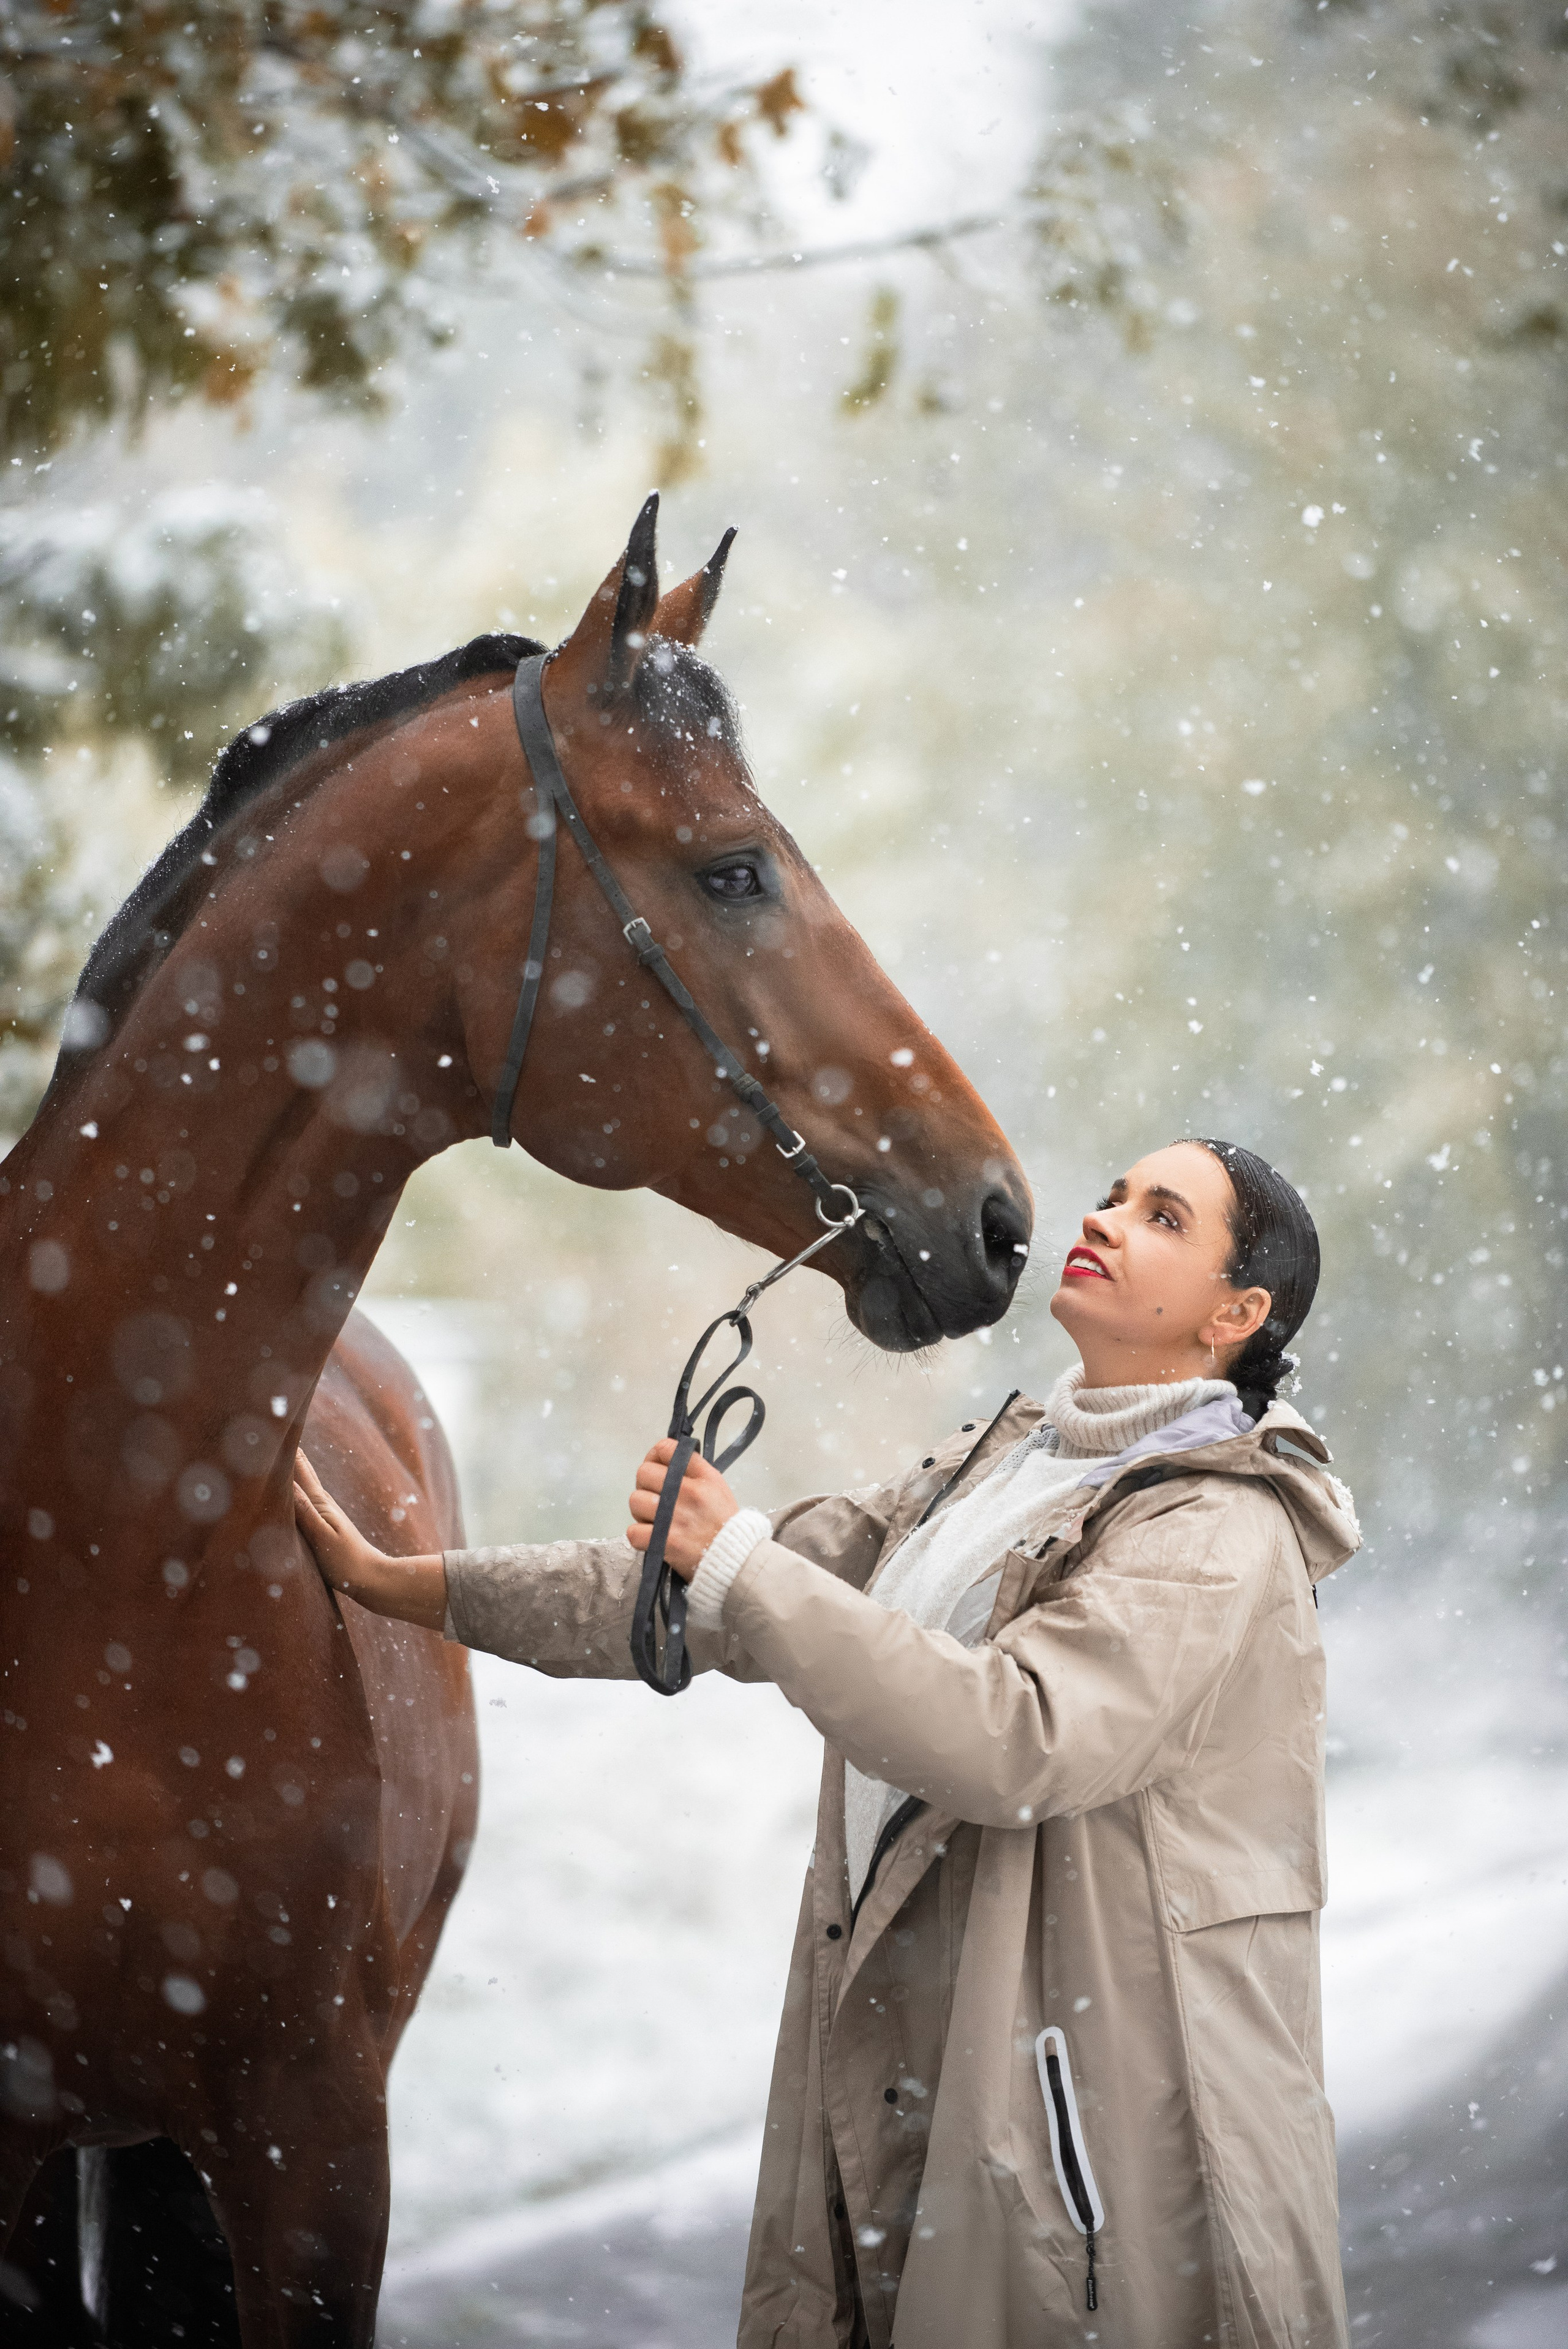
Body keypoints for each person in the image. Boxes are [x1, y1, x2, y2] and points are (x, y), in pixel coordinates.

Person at [296, 1137, 1359, 2349]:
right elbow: (699, 1598)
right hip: (939, 2069)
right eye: (1114, 1194)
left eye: (1162, 1214)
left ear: (1236, 1310)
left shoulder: (1215, 1529)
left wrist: (736, 1558)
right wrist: (407, 1584)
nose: (1106, 1217)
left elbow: (1010, 1733)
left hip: (1106, 2145)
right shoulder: (1006, 1469)